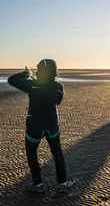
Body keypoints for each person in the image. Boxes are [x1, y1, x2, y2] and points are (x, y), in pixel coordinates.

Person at [8, 59, 69, 193]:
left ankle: (38, 185)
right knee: (57, 153)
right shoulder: (58, 86)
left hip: (34, 125)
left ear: (39, 71)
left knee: (32, 154)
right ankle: (63, 183)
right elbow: (57, 100)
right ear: (54, 71)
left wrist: (26, 74)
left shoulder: (31, 84)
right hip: (52, 124)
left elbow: (11, 80)